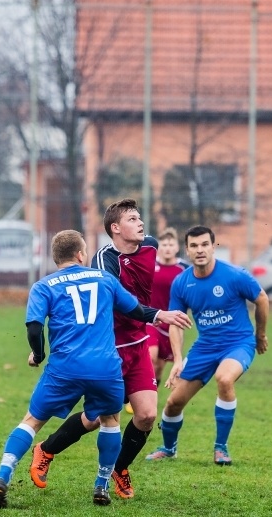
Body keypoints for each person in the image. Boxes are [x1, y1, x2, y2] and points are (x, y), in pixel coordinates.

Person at [0, 229, 166, 507]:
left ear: (54, 256)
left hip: (65, 368)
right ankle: (101, 485)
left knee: (32, 421)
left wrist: (38, 354)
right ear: (82, 254)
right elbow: (134, 310)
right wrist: (158, 315)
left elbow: (34, 327)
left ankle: (2, 476)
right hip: (105, 367)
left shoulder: (44, 285)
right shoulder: (105, 279)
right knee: (109, 421)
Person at [30, 199, 192, 500]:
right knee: (98, 419)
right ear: (115, 229)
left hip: (138, 345)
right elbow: (122, 304)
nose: (141, 223)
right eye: (133, 219)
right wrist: (159, 314)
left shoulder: (152, 246)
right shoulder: (105, 259)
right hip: (108, 349)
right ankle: (46, 449)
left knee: (145, 415)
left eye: (140, 217)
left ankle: (119, 468)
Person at [146, 225, 269, 465]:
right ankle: (169, 448)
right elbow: (176, 322)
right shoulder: (182, 283)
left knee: (224, 379)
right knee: (173, 403)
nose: (200, 250)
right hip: (205, 347)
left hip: (238, 343)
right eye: (194, 245)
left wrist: (260, 335)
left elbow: (262, 298)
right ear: (188, 250)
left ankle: (220, 448)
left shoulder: (234, 275)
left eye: (204, 244)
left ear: (214, 247)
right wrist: (178, 360)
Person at [146, 227, 189, 388]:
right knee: (151, 356)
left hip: (172, 323)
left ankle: (150, 393)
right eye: (164, 245)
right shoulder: (150, 266)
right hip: (151, 319)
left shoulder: (184, 269)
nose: (167, 248)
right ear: (159, 247)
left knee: (158, 366)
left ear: (177, 247)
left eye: (171, 245)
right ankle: (135, 393)